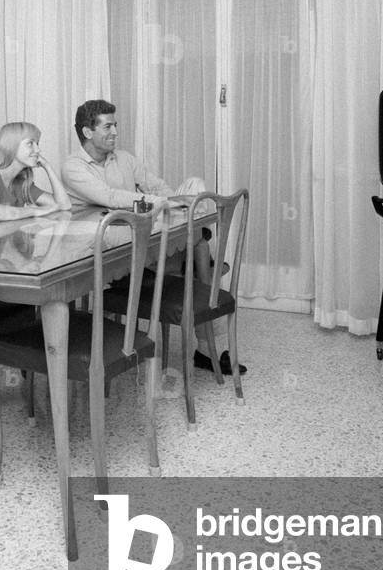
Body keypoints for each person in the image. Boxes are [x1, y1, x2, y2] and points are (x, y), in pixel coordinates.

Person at [61, 98, 245, 376]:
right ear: (88, 132)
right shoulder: (73, 167)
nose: (115, 132)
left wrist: (174, 199)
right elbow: (109, 198)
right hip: (110, 249)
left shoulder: (123, 158)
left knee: (195, 184)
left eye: (115, 125)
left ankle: (194, 247)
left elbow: (155, 184)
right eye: (107, 126)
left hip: (141, 233)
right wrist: (162, 203)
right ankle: (197, 250)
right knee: (197, 252)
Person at [0, 122, 72, 226]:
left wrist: (48, 167)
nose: (38, 150)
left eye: (37, 143)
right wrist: (35, 211)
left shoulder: (20, 182)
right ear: (12, 146)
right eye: (30, 143)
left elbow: (63, 205)